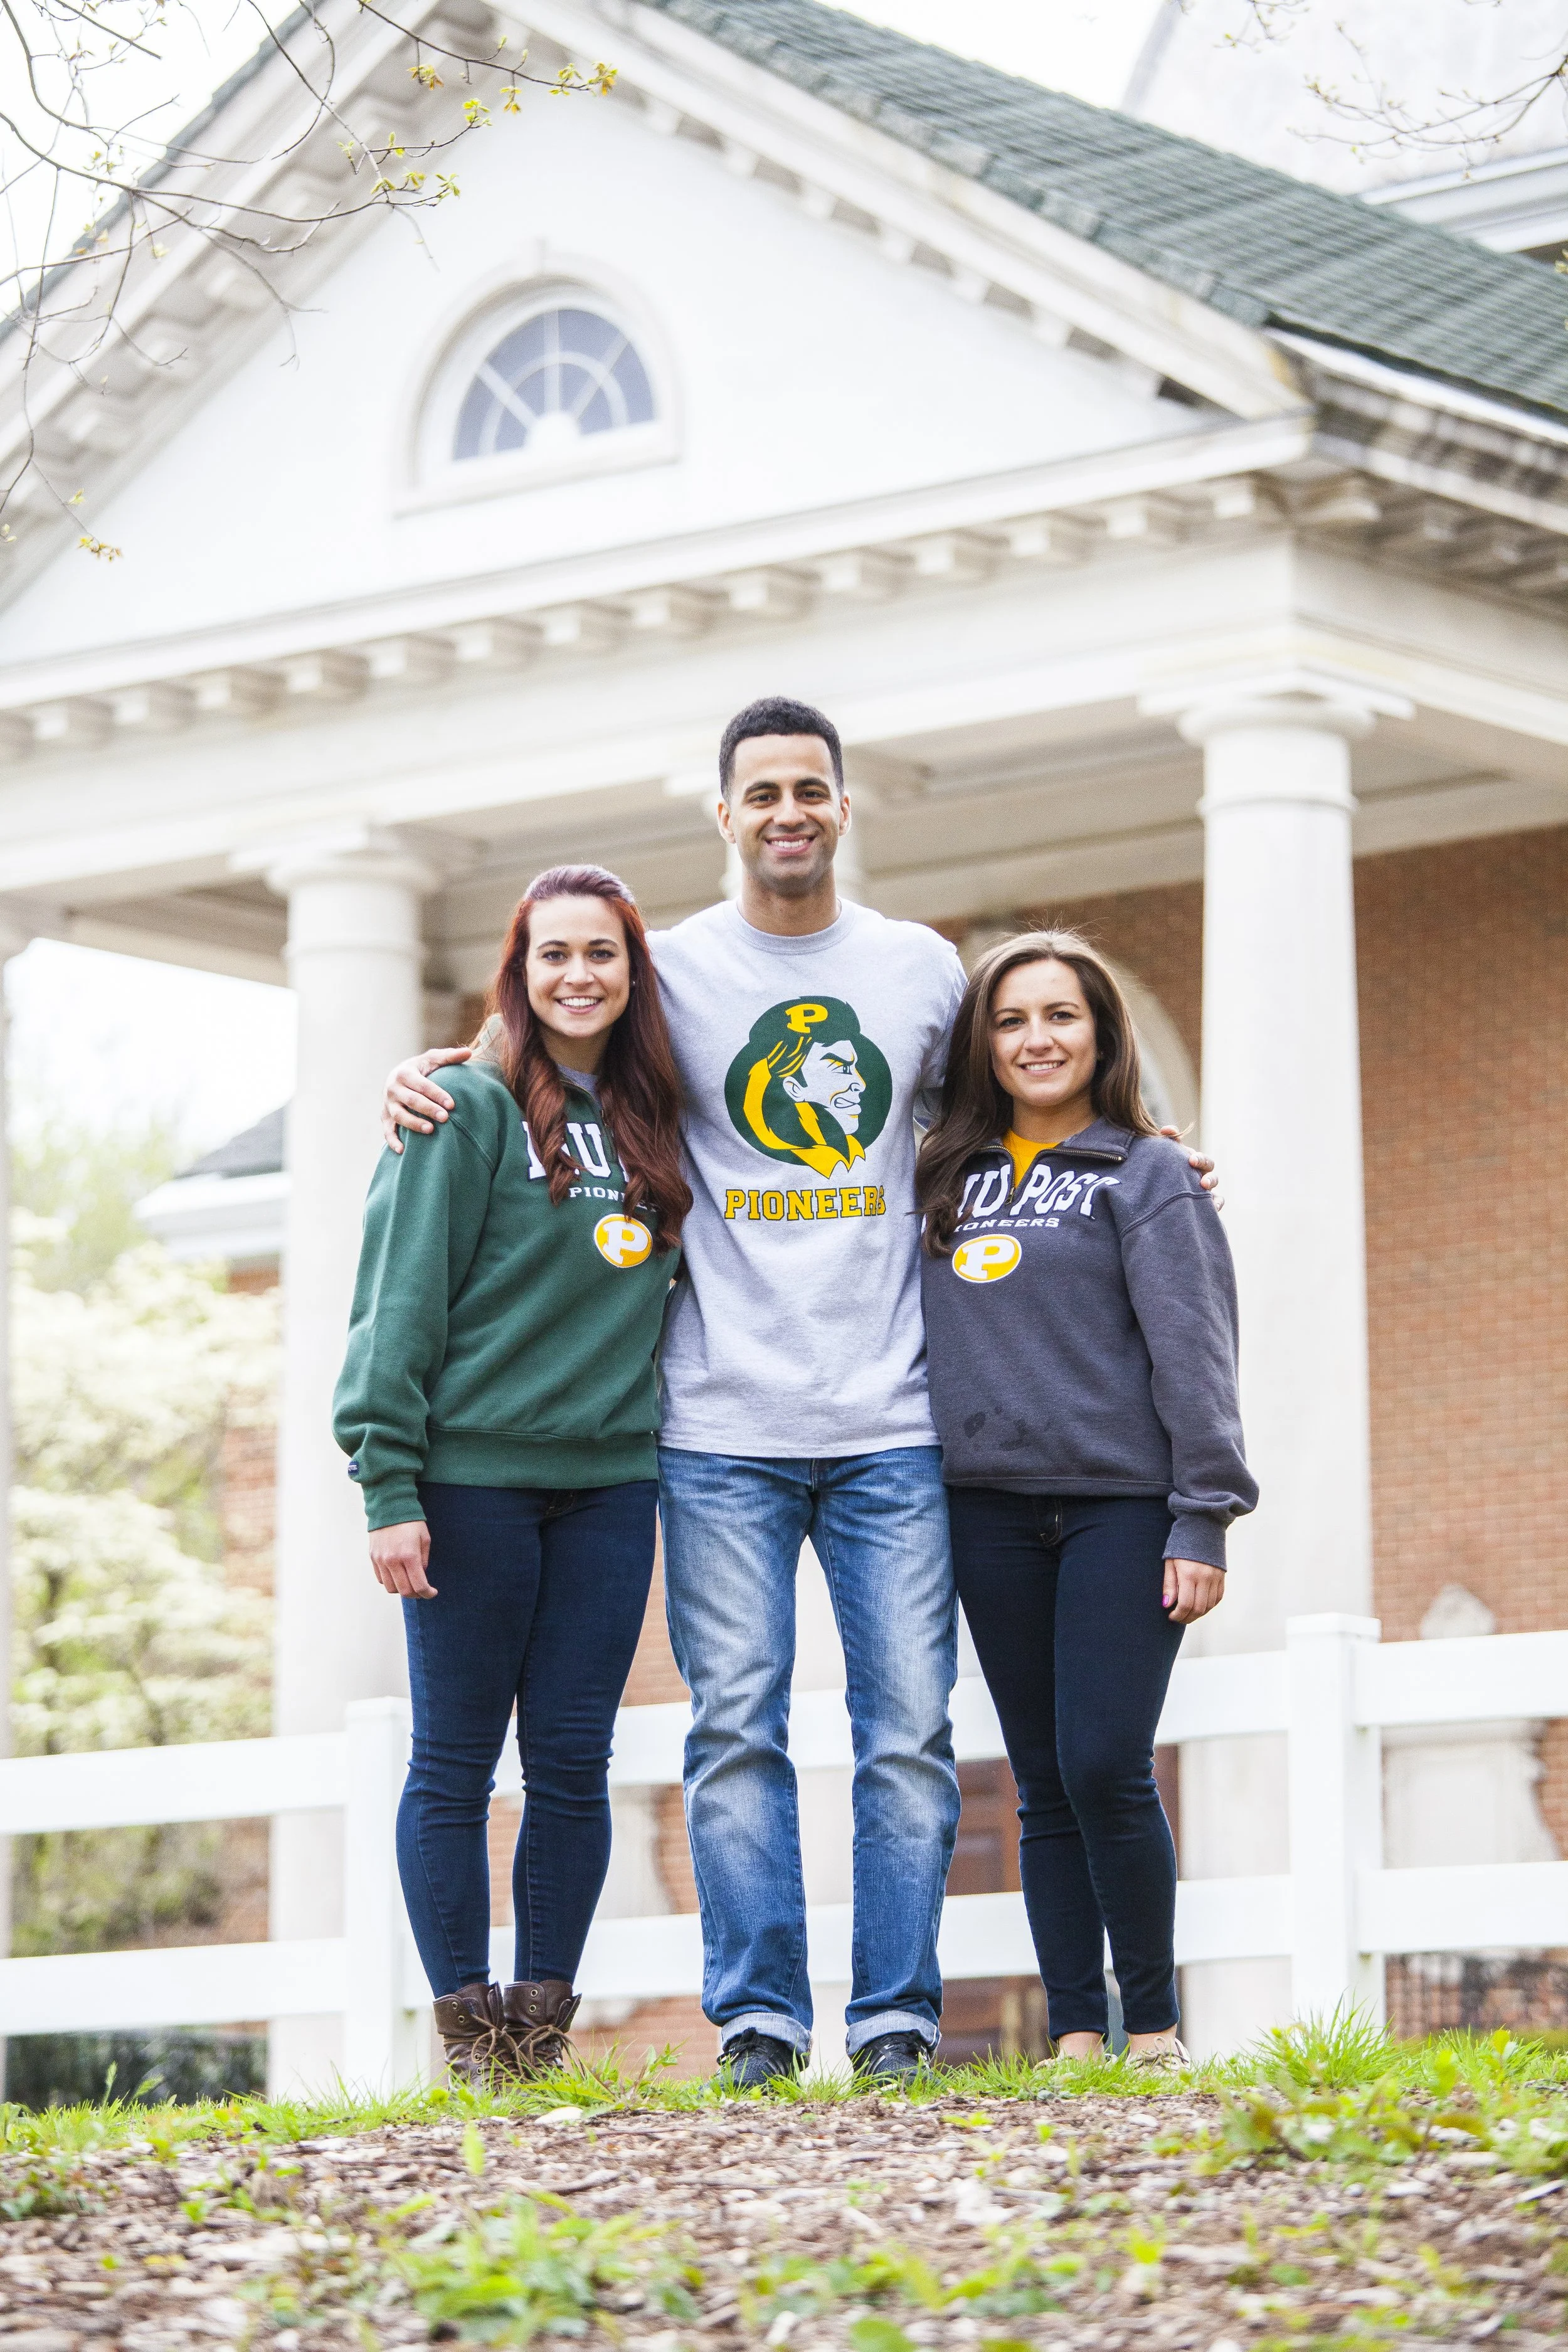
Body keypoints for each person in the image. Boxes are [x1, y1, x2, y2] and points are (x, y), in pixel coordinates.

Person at [382, 697, 1220, 2087]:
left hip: (894, 1419)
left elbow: (1022, 1098)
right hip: (717, 1425)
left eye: (809, 791)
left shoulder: (921, 972)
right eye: (759, 792)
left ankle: (892, 2023)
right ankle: (758, 2022)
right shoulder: (674, 973)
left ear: (842, 806)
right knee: (734, 1736)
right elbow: (551, 1034)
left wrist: (1149, 1151)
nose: (786, 813)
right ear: (723, 815)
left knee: (906, 1738)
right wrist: (429, 1078)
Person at [334, 864, 689, 2085]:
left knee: (574, 1762)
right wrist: (387, 1486)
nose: (577, 975)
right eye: (553, 954)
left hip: (609, 1488)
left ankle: (535, 2035)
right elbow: (396, 1302)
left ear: (632, 973)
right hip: (471, 1483)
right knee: (453, 1761)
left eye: (601, 953)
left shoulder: (657, 1123)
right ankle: (465, 2033)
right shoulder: (462, 1110)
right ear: (519, 972)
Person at [916, 930, 1256, 2067]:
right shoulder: (941, 1179)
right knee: (1042, 1780)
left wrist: (1202, 1512)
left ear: (1102, 1034)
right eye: (1011, 1020)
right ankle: (1074, 2032)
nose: (1036, 1039)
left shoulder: (1149, 1174)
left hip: (1121, 1508)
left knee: (1108, 1760)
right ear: (984, 1043)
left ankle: (1152, 2025)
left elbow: (1197, 1353)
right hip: (988, 1515)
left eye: (1060, 1015)